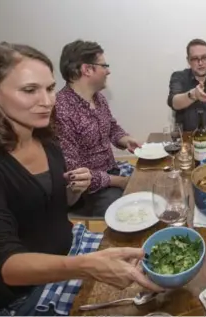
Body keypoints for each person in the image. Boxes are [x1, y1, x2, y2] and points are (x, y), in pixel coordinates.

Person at [0, 43, 162, 315]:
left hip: (70, 252)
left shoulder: (46, 139)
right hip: (23, 294)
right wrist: (86, 266)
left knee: (153, 256)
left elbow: (59, 202)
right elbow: (2, 264)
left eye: (49, 88)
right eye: (29, 90)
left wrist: (74, 190)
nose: (48, 101)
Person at [55, 40, 139, 217]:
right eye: (104, 65)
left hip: (111, 172)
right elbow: (75, 176)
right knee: (132, 215)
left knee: (153, 183)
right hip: (89, 193)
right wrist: (121, 182)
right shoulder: (61, 111)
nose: (108, 71)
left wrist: (126, 140)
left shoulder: (98, 98)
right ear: (87, 69)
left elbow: (111, 128)